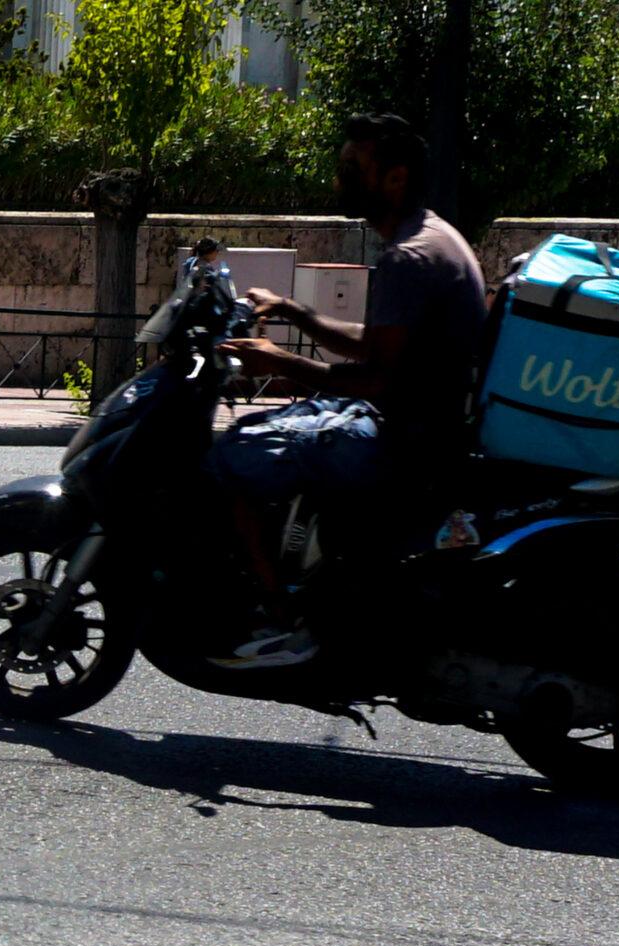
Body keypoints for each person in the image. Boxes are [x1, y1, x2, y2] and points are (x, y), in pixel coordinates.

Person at [204, 112, 488, 669]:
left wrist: (279, 360)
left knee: (230, 457)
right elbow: (380, 344)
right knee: (292, 423)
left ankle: (282, 620)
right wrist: (293, 312)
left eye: (353, 167)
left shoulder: (407, 259)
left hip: (402, 439)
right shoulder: (434, 236)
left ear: (395, 178)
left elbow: (376, 375)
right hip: (423, 423)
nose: (339, 179)